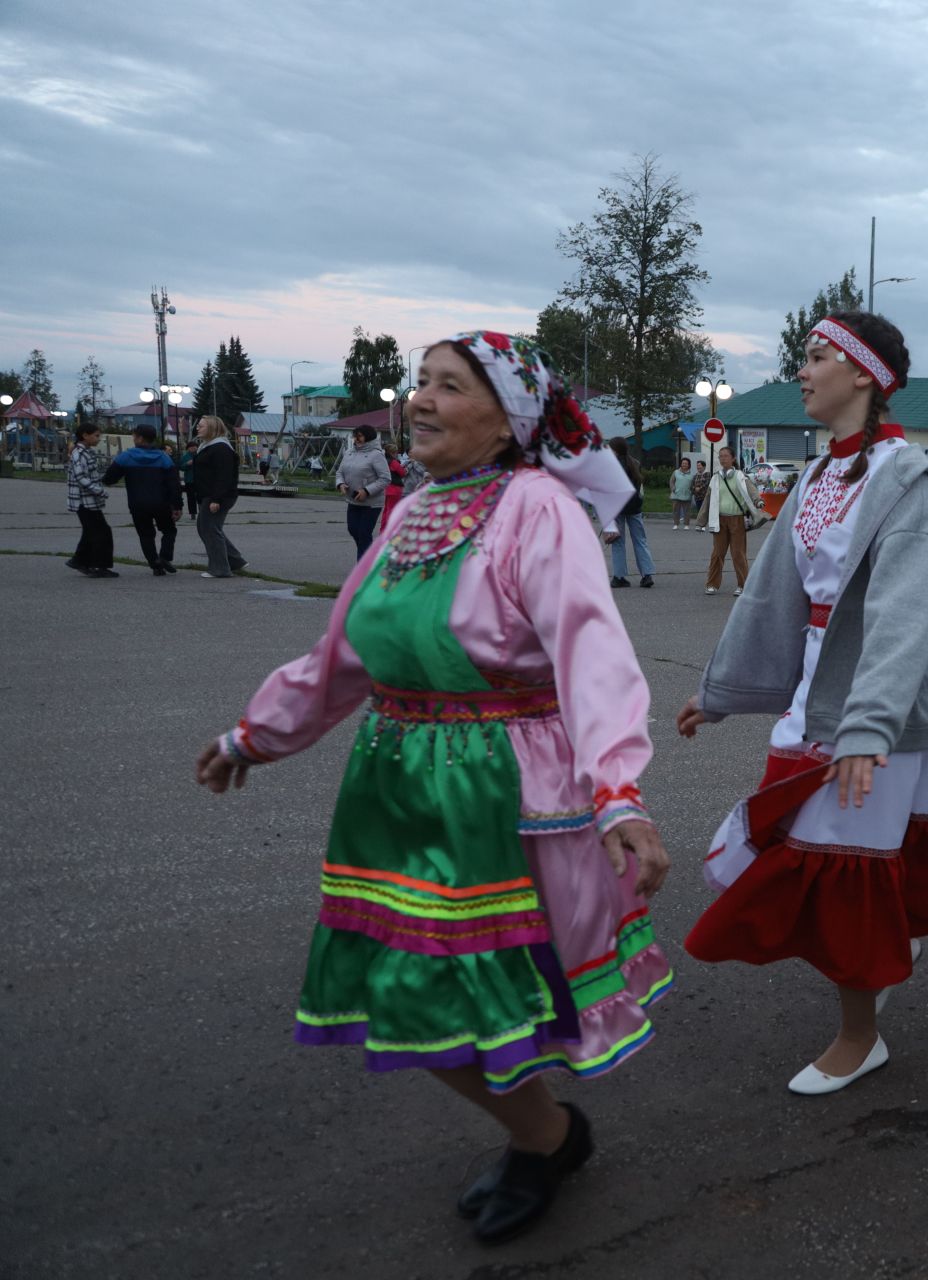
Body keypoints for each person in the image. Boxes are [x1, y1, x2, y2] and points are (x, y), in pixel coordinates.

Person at [193, 331, 670, 1246]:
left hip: (497, 793)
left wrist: (620, 792)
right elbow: (344, 658)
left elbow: (591, 651)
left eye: (449, 387)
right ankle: (545, 1133)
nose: (419, 400)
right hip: (398, 787)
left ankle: (546, 1136)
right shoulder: (414, 509)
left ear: (506, 422)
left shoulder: (539, 507)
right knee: (409, 990)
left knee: (460, 997)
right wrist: (253, 736)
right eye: (420, 382)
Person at [679, 310, 928, 1096]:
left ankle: (861, 1038)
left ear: (863, 375)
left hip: (877, 710)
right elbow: (771, 599)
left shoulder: (907, 480)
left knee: (842, 870)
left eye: (816, 357)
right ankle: (886, 962)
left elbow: (903, 614)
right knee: (848, 863)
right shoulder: (820, 474)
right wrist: (719, 693)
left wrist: (868, 728)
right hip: (830, 696)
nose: (803, 371)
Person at [104, 423, 184, 575]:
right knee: (169, 530)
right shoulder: (164, 458)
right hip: (162, 503)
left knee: (146, 534)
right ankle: (165, 556)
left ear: (140, 438)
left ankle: (155, 565)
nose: (133, 438)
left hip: (137, 503)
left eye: (134, 435)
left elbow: (109, 478)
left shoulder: (126, 456)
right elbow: (174, 484)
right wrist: (177, 505)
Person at [192, 415, 246, 579]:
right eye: (198, 426)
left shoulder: (220, 448)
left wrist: (216, 499)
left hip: (217, 495)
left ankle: (220, 568)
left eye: (201, 426)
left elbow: (224, 476)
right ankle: (234, 560)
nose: (197, 428)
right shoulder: (207, 446)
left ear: (213, 429)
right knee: (206, 528)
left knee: (210, 529)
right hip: (209, 494)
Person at [703, 446, 758, 596]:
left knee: (738, 553)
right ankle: (712, 584)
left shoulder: (740, 476)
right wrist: (701, 520)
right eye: (720, 456)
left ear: (733, 458)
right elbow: (708, 499)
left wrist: (758, 501)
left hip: (737, 520)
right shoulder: (715, 477)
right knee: (717, 553)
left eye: (726, 456)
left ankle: (743, 585)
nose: (722, 459)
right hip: (720, 519)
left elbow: (752, 490)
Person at [65, 422, 116, 578]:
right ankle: (99, 565)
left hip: (89, 501)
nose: (98, 439)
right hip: (84, 501)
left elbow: (92, 474)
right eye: (96, 435)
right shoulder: (79, 454)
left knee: (90, 532)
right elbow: (81, 478)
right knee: (102, 533)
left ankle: (79, 560)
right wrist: (99, 491)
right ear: (85, 435)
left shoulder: (86, 452)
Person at [606, 436, 654, 588]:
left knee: (618, 542)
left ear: (615, 449)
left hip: (618, 508)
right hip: (634, 507)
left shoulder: (611, 465)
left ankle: (619, 577)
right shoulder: (635, 463)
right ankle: (647, 575)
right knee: (640, 541)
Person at [336, 426, 387, 559]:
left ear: (368, 437)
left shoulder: (376, 454)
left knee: (364, 533)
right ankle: (370, 556)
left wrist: (366, 491)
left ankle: (363, 569)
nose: (356, 439)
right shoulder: (349, 453)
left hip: (371, 503)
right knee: (353, 530)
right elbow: (339, 472)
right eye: (355, 436)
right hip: (353, 500)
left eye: (360, 436)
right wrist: (340, 483)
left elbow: (385, 478)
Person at [377, 441, 407, 533]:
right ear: (391, 452)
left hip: (385, 489)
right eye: (395, 452)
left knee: (386, 510)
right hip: (394, 489)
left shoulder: (383, 461)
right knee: (392, 510)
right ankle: (390, 530)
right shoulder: (393, 462)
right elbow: (402, 473)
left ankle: (383, 530)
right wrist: (405, 469)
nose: (397, 454)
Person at [669, 456, 695, 529]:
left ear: (688, 465)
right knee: (676, 510)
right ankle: (676, 524)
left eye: (686, 463)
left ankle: (686, 524)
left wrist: (692, 491)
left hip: (687, 495)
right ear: (681, 464)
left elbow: (693, 484)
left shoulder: (691, 475)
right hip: (676, 494)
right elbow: (671, 481)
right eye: (683, 463)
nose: (684, 465)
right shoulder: (676, 472)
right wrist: (673, 489)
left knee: (687, 511)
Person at [180, 440, 198, 518]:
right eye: (192, 447)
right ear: (188, 448)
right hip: (189, 480)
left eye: (195, 447)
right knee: (191, 497)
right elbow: (181, 467)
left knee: (201, 496)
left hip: (200, 479)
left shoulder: (199, 454)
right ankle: (192, 513)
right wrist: (187, 464)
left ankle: (203, 512)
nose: (194, 449)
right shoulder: (185, 456)